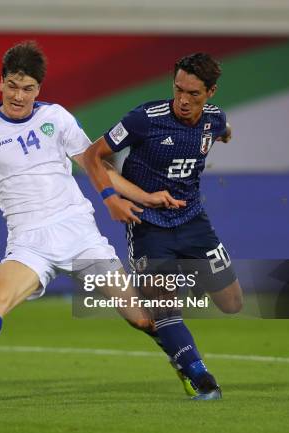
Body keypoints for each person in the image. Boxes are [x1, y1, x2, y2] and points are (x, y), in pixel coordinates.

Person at [0, 41, 184, 396]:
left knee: (141, 318)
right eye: (13, 86)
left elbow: (96, 165)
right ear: (1, 83)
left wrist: (143, 196)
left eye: (28, 88)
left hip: (79, 233)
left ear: (39, 89)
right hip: (29, 241)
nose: (19, 96)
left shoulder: (57, 118)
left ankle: (187, 364)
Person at [83, 52, 244, 400]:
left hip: (193, 222)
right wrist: (112, 198)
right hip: (147, 223)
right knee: (163, 303)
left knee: (232, 303)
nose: (183, 100)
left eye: (194, 94)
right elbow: (92, 155)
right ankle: (202, 378)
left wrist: (227, 132)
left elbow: (223, 128)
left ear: (211, 92)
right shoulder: (145, 118)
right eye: (178, 89)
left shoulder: (214, 120)